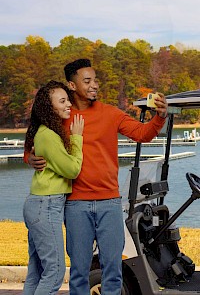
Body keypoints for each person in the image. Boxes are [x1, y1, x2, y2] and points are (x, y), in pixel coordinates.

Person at [25, 59, 168, 295]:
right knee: (79, 271)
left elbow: (143, 134)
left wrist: (160, 116)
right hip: (75, 205)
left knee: (113, 270)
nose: (94, 85)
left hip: (109, 203)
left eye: (96, 80)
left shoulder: (111, 113)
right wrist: (29, 157)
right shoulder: (61, 115)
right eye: (87, 80)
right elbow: (35, 139)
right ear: (72, 85)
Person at [23, 80, 84, 295]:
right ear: (49, 107)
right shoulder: (48, 135)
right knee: (55, 271)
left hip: (41, 204)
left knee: (37, 272)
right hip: (46, 205)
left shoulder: (45, 132)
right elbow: (72, 170)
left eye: (68, 99)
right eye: (63, 101)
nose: (69, 104)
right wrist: (77, 138)